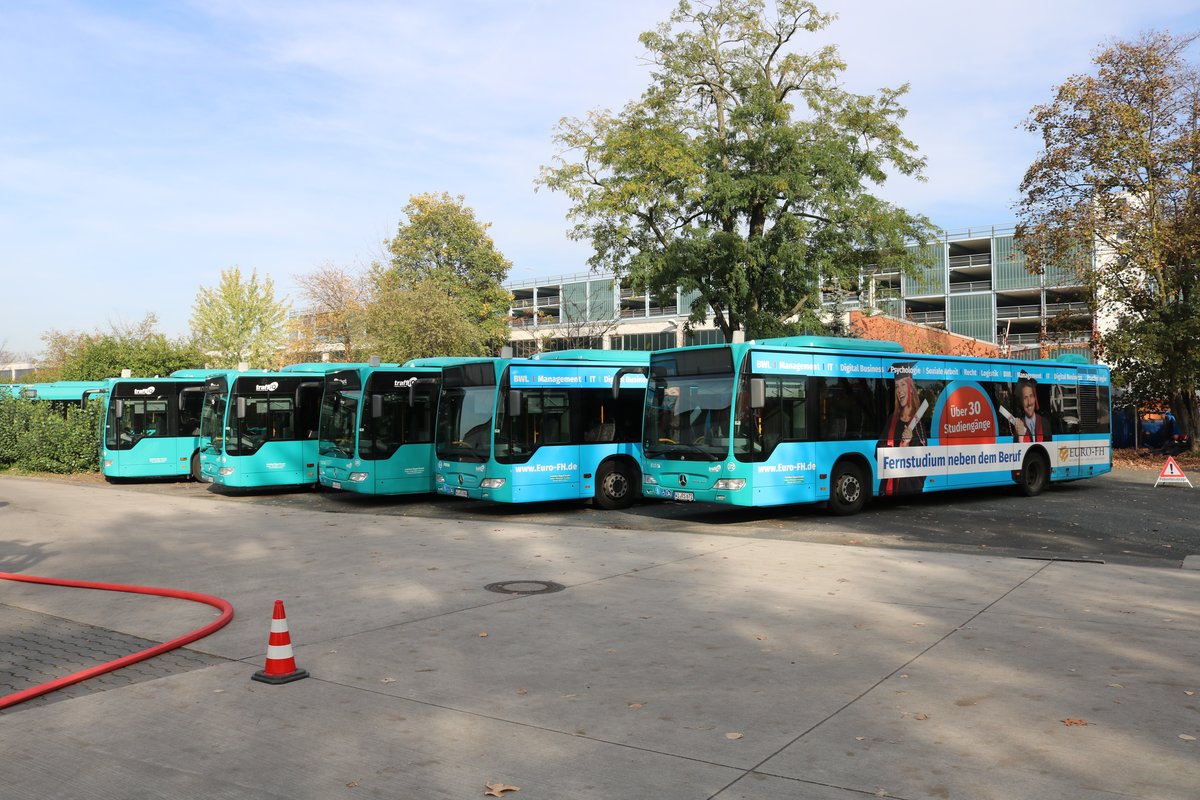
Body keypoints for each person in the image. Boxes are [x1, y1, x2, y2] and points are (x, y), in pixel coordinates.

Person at [878, 369, 928, 496]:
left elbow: (924, 458)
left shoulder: (918, 423)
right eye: (896, 386)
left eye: (903, 384)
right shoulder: (891, 420)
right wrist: (894, 449)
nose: (899, 390)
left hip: (909, 486)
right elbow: (878, 450)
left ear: (911, 388)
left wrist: (908, 444)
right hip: (889, 485)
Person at [1010, 376, 1048, 442]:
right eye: (1025, 398)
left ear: (1035, 398)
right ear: (1021, 402)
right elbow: (1018, 451)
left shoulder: (1045, 423)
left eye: (1031, 396)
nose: (1029, 402)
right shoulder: (1018, 427)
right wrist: (1021, 436)